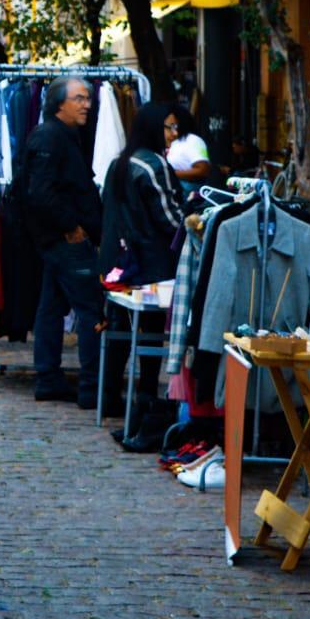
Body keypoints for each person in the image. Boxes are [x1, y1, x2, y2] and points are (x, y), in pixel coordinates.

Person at [21, 77, 105, 407]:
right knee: (89, 310)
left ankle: (49, 378)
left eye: (88, 98)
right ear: (59, 104)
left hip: (59, 238)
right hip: (64, 239)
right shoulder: (49, 136)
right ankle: (91, 388)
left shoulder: (63, 135)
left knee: (52, 307)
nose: (87, 103)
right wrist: (72, 227)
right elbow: (40, 191)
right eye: (79, 98)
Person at [97, 101, 186, 410]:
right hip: (149, 263)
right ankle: (147, 395)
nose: (174, 134)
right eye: (169, 127)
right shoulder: (153, 165)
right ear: (153, 128)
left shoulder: (119, 163)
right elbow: (169, 217)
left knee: (119, 326)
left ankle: (108, 394)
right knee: (150, 329)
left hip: (117, 262)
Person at [167, 105, 214, 191]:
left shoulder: (193, 140)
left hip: (187, 190)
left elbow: (203, 170)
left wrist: (171, 174)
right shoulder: (170, 140)